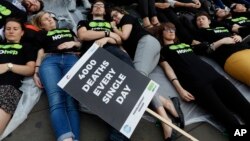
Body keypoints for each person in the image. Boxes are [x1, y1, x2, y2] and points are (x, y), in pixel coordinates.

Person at [159, 22, 250, 139]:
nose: (171, 31)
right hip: (196, 83)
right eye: (167, 29)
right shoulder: (163, 51)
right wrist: (180, 89)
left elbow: (207, 49)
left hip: (215, 76)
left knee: (243, 105)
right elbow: (168, 69)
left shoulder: (186, 45)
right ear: (161, 33)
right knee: (227, 118)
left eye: (173, 29)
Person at [109, 7, 184, 141]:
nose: (114, 18)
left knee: (138, 79)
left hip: (147, 43)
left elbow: (124, 36)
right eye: (112, 17)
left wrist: (113, 27)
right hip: (148, 51)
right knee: (139, 80)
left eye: (116, 15)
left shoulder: (127, 19)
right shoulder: (121, 28)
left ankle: (166, 121)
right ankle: (167, 103)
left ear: (122, 13)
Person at [77, 1, 134, 141]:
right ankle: (119, 136)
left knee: (130, 87)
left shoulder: (110, 23)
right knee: (108, 92)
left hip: (115, 52)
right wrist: (107, 35)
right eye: (95, 5)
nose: (98, 6)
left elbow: (119, 40)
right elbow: (83, 36)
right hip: (93, 55)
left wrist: (107, 38)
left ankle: (118, 135)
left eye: (101, 6)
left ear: (104, 12)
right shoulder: (84, 21)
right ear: (91, 11)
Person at [32, 11, 81, 141]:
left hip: (72, 58)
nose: (50, 20)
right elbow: (40, 52)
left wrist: (73, 44)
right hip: (50, 61)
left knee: (72, 99)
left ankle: (75, 139)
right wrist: (36, 71)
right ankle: (65, 139)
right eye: (46, 19)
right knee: (56, 98)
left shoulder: (68, 30)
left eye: (51, 17)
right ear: (41, 25)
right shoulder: (41, 34)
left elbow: (80, 44)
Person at [0, 18, 36, 134]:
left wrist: (8, 66)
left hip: (8, 88)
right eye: (8, 29)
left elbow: (30, 69)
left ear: (22, 32)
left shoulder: (27, 47)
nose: (11, 31)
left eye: (15, 29)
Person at [195, 11, 250, 86]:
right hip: (231, 56)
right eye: (198, 20)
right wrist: (222, 41)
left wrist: (239, 36)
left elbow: (237, 33)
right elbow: (203, 50)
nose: (200, 20)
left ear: (209, 21)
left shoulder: (221, 27)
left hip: (246, 49)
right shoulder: (199, 33)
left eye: (203, 18)